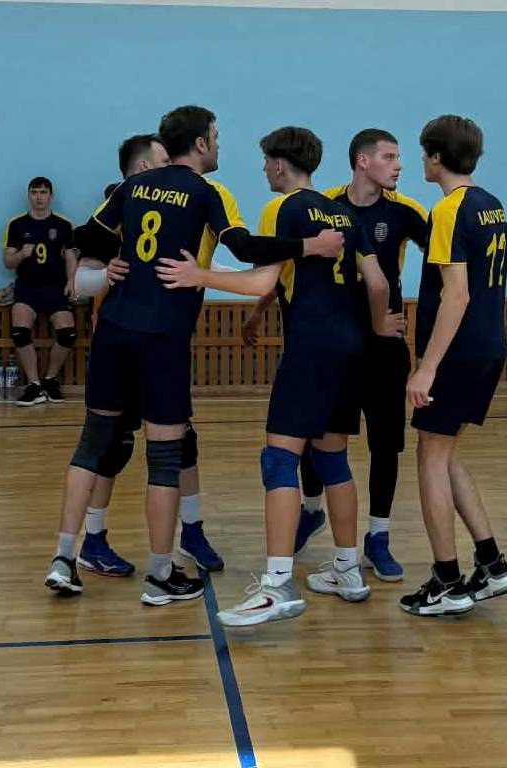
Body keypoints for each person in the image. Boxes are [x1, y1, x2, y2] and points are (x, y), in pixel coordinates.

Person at [43, 106, 343, 605]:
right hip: (162, 337)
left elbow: (85, 238)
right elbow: (245, 248)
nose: (219, 145)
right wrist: (309, 245)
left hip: (114, 329)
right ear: (200, 143)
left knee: (91, 446)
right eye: (216, 136)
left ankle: (63, 557)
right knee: (165, 458)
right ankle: (160, 574)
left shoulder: (132, 187)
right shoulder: (208, 193)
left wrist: (105, 269)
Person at [157, 126, 402, 627]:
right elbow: (378, 281)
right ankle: (347, 569)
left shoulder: (283, 208)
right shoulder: (343, 214)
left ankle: (276, 584)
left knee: (280, 458)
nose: (264, 169)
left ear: (280, 163)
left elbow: (262, 280)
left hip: (310, 347)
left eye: (266, 160)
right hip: (352, 347)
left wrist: (200, 276)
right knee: (332, 457)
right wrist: (379, 325)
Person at [244, 128, 428, 580]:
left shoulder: (405, 212)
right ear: (363, 161)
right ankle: (316, 518)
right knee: (321, 443)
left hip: (373, 344)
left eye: (399, 157)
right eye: (389, 156)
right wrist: (261, 310)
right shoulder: (329, 206)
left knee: (382, 443)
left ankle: (376, 538)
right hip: (342, 339)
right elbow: (288, 270)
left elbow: (441, 263)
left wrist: (423, 327)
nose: (399, 165)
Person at [65, 134, 225, 578]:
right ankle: (94, 540)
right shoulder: (118, 205)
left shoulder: (193, 200)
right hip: (120, 340)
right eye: (162, 159)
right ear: (142, 169)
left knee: (180, 441)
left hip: (162, 339)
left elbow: (210, 261)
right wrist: (106, 274)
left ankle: (191, 531)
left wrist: (235, 279)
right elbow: (77, 282)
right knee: (112, 445)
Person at [400, 114, 507, 617]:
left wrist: (426, 367)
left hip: (456, 352)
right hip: (489, 345)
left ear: (435, 157)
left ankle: (447, 582)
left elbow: (457, 294)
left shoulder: (449, 210)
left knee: (429, 457)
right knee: (445, 453)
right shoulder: (491, 204)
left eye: (422, 154)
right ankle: (492, 563)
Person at [2, 177, 77, 406]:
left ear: (50, 196)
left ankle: (50, 379)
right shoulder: (16, 224)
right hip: (28, 287)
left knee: (67, 333)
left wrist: (71, 281)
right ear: (29, 195)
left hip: (55, 287)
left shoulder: (63, 225)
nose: (38, 197)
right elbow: (7, 261)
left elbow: (71, 256)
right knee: (20, 333)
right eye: (34, 192)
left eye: (43, 192)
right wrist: (21, 255)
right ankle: (34, 385)